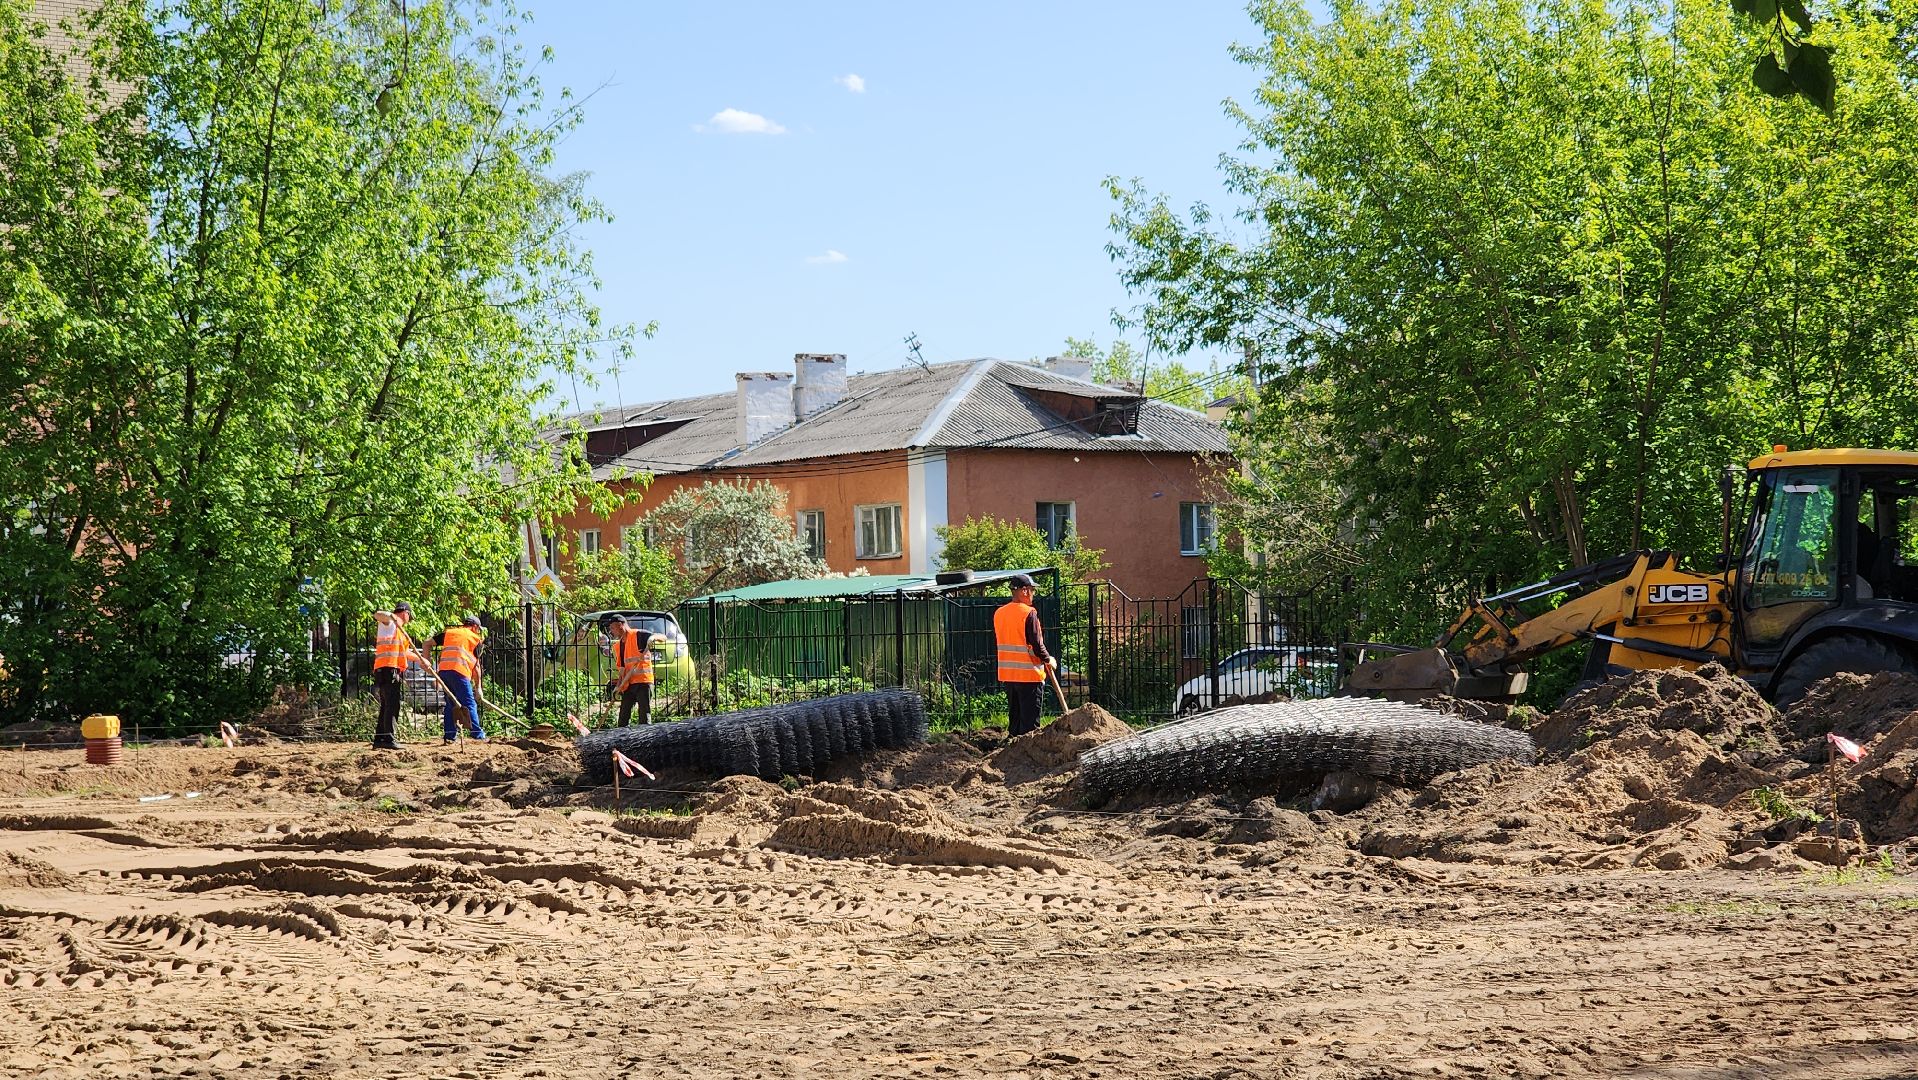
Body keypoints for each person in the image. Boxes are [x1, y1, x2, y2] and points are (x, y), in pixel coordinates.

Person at [993, 573, 1055, 738]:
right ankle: (1028, 759)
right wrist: (1048, 659)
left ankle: (1012, 754)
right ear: (1025, 591)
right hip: (1029, 675)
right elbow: (1036, 643)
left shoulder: (999, 613)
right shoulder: (1029, 613)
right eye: (1032, 590)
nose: (1033, 594)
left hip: (1009, 675)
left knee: (1015, 722)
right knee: (1029, 727)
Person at [369, 602, 421, 750]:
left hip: (390, 669)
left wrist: (421, 660)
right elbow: (377, 614)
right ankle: (389, 739)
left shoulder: (400, 631)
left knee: (387, 705)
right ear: (405, 613)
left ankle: (380, 739)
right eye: (409, 616)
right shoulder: (390, 623)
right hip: (387, 669)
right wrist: (392, 616)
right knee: (392, 705)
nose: (408, 620)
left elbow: (405, 652)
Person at [432, 614, 488, 743]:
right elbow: (476, 666)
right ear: (475, 627)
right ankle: (477, 734)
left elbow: (427, 643)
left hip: (444, 672)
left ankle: (449, 736)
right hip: (460, 672)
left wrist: (426, 659)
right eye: (478, 629)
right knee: (469, 703)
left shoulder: (450, 633)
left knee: (451, 704)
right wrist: (478, 687)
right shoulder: (475, 638)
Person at [607, 614, 657, 727]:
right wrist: (618, 687)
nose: (611, 631)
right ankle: (622, 740)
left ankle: (645, 739)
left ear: (621, 625)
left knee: (644, 716)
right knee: (623, 717)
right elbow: (622, 669)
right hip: (629, 684)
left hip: (643, 682)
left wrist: (652, 639)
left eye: (613, 628)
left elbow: (661, 637)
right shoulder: (619, 646)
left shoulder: (638, 635)